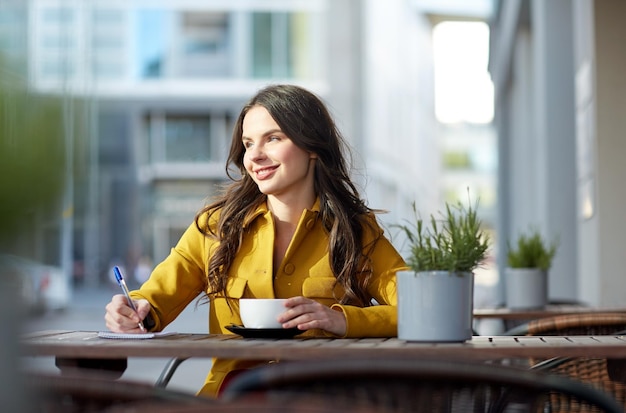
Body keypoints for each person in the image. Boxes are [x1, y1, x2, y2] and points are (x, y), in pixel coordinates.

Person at [104, 84, 406, 398]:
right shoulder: (214, 227)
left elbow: (417, 309)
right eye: (248, 143)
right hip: (235, 398)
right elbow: (152, 302)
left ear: (313, 146)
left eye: (273, 138)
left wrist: (342, 320)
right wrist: (132, 311)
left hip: (325, 397)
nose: (255, 156)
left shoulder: (355, 231)